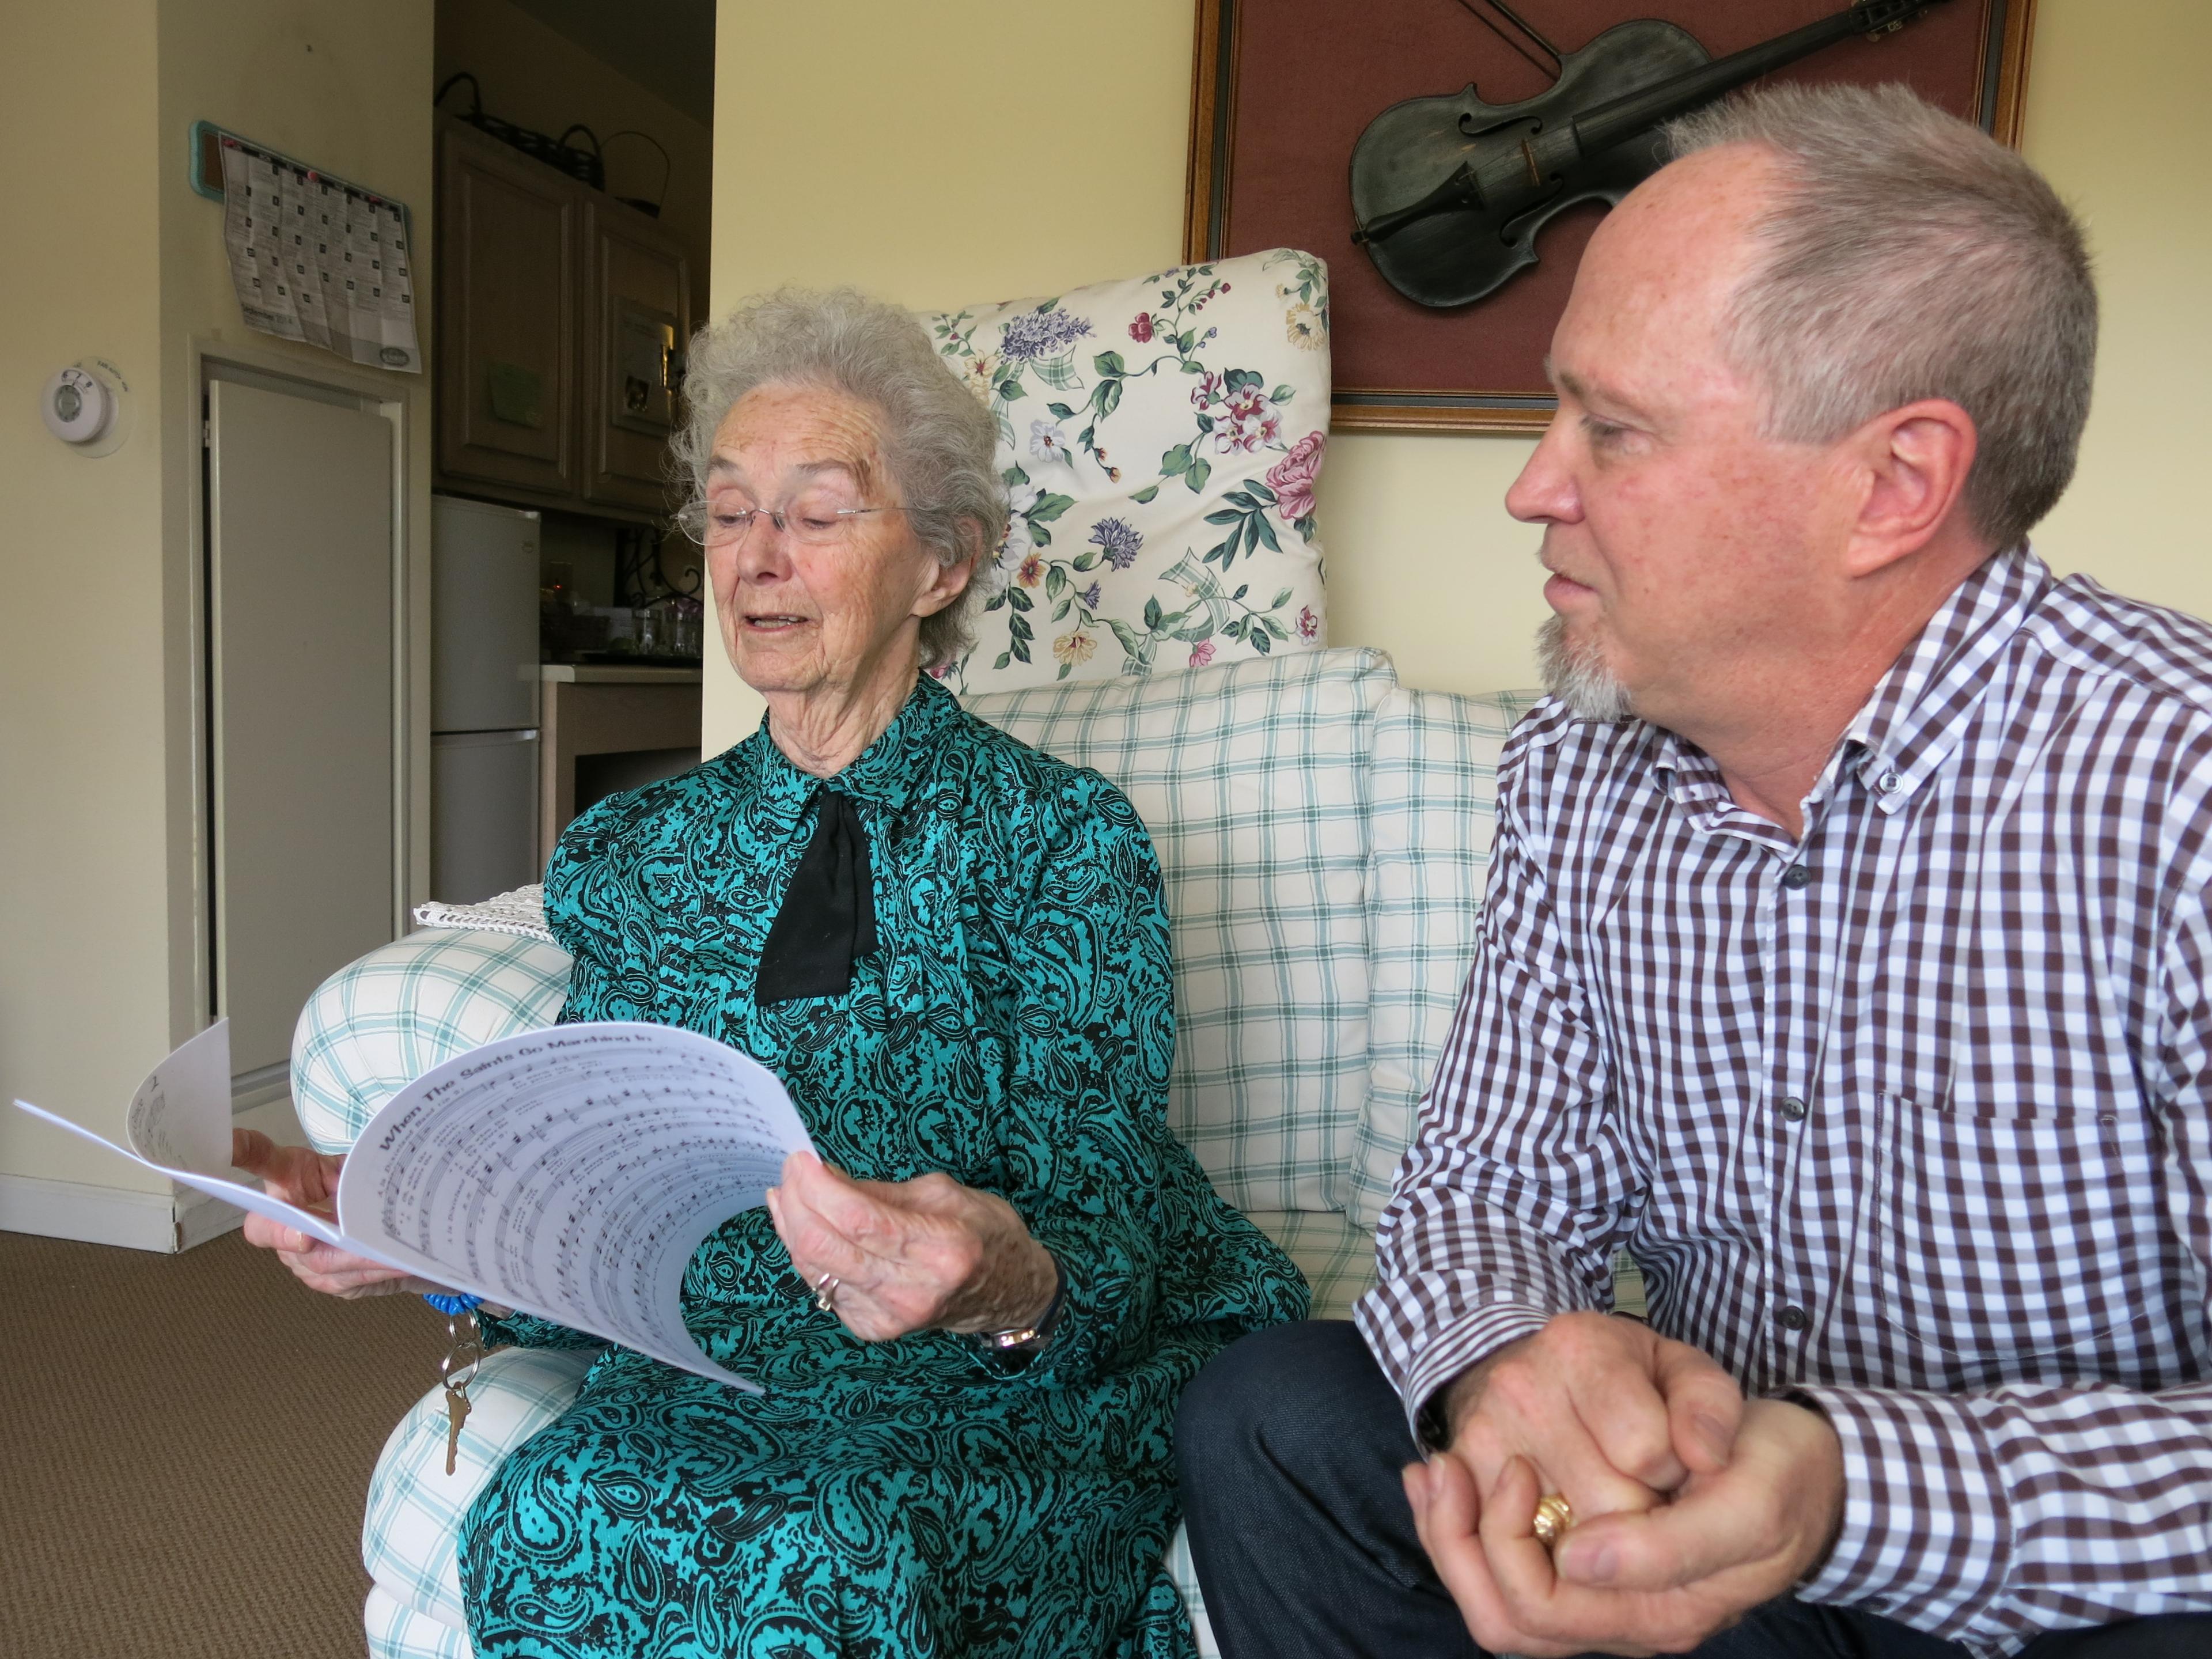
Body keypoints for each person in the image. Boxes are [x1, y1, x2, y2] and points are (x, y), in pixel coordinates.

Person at [1177, 82, 2212, 1659]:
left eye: (1617, 425)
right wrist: (1509, 1365)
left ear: (1893, 485)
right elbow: (1485, 1187)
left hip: (2049, 1599)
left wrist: (1852, 1488)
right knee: (1271, 1419)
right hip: (1720, 1577)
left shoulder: (2180, 787)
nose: (1536, 484)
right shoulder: (1581, 765)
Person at [236, 286, 1308, 1659]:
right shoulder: (636, 851)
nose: (756, 558)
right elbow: (601, 1209)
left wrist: (995, 1279)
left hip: (991, 1387)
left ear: (940, 566)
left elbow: (1102, 1215)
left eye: (814, 513)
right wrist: (410, 1231)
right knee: (568, 1500)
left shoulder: (1062, 840)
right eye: (731, 513)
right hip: (716, 1372)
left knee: (837, 1543)